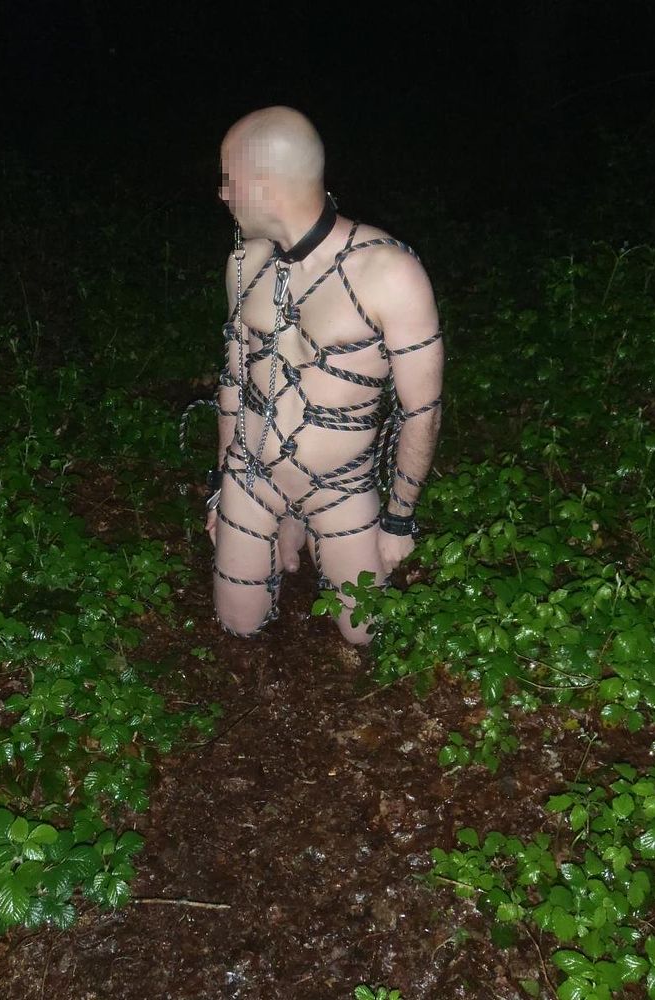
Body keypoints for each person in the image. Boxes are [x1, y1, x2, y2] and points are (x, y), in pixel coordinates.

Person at [204, 106, 443, 645]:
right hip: (252, 473)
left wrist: (399, 520)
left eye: (229, 179)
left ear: (264, 186)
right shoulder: (243, 265)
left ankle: (308, 528)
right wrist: (219, 484)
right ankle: (284, 525)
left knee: (366, 633)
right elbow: (234, 382)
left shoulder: (388, 272)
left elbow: (421, 411)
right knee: (238, 626)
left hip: (340, 485)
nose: (222, 194)